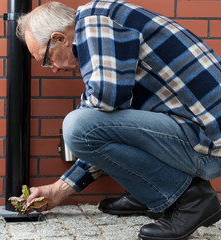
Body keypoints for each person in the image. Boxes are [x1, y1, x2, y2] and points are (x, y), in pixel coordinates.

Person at [16, 1, 221, 239]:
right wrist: (58, 190)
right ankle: (149, 192)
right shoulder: (104, 23)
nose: (52, 68)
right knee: (89, 122)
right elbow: (114, 114)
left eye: (46, 58)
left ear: (60, 38)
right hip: (199, 132)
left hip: (207, 143)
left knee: (77, 125)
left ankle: (192, 201)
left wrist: (64, 183)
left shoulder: (94, 22)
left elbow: (104, 100)